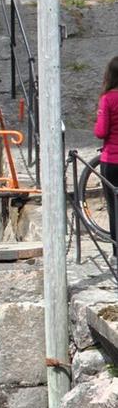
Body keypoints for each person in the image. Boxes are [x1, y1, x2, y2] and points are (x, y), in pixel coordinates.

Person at [96, 55, 118, 259]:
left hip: (112, 160)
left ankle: (117, 252)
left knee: (114, 208)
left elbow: (101, 131)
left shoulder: (108, 99)